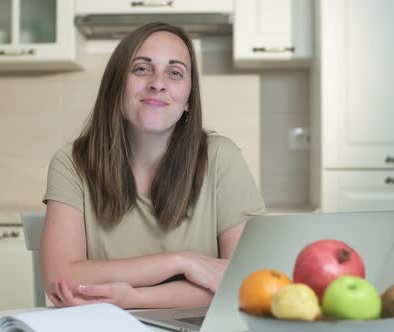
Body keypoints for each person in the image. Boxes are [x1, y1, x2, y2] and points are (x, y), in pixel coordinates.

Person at [40, 22, 265, 309]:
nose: (158, 83)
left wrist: (135, 298)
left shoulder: (222, 157)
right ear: (115, 87)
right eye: (142, 69)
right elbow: (61, 280)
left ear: (188, 100)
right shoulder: (72, 162)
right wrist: (183, 262)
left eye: (175, 72)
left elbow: (248, 279)